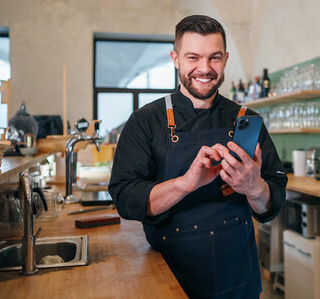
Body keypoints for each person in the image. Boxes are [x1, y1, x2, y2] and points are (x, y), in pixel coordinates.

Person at [108, 15, 287, 299]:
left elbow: (272, 203)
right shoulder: (144, 122)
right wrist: (187, 183)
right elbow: (125, 198)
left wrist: (254, 187)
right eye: (193, 57)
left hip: (238, 279)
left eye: (214, 58)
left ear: (226, 59)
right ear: (175, 58)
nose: (204, 69)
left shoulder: (248, 120)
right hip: (170, 278)